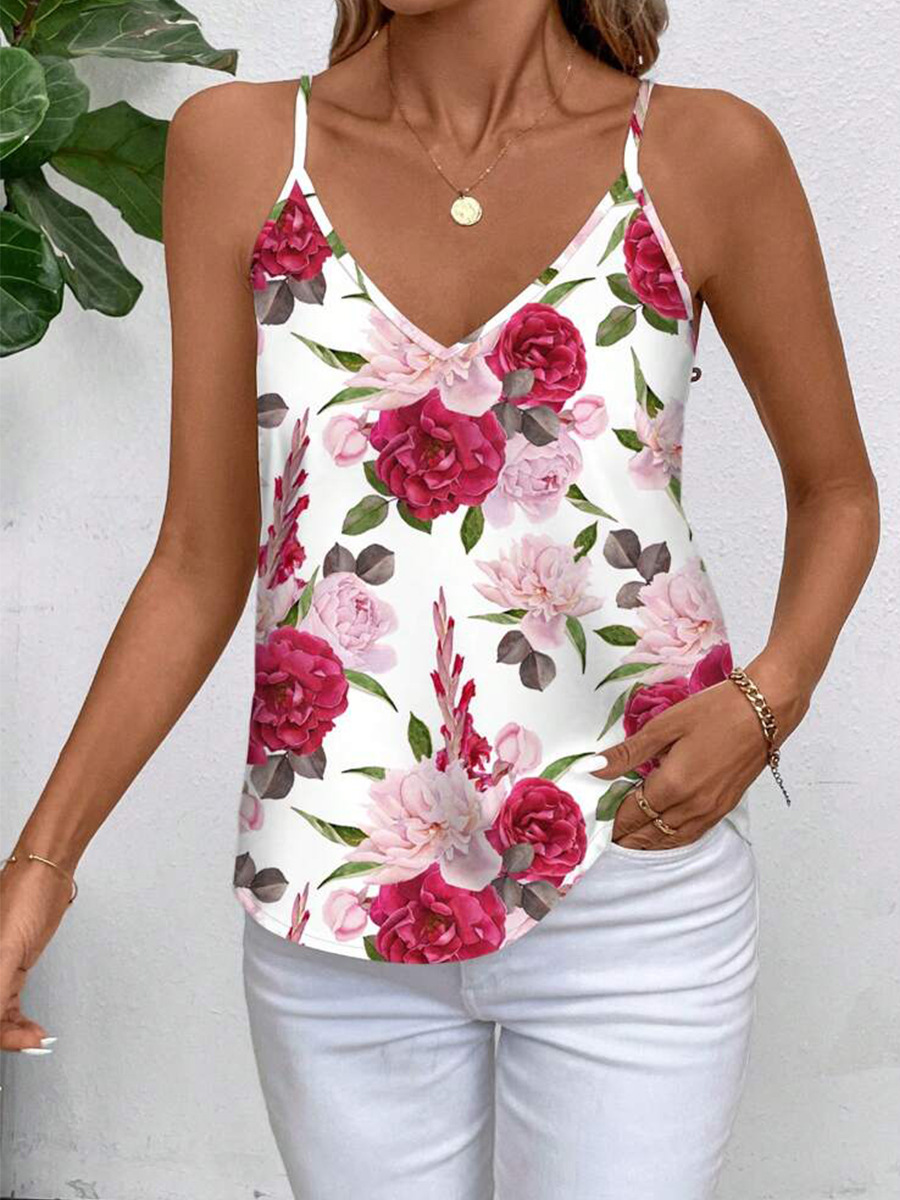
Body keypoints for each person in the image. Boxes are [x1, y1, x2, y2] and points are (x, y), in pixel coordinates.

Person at [0, 1, 880, 1197]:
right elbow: (200, 556)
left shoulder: (703, 154)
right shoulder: (241, 148)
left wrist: (772, 697)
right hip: (332, 902)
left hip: (632, 881)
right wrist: (43, 861)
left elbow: (836, 490)